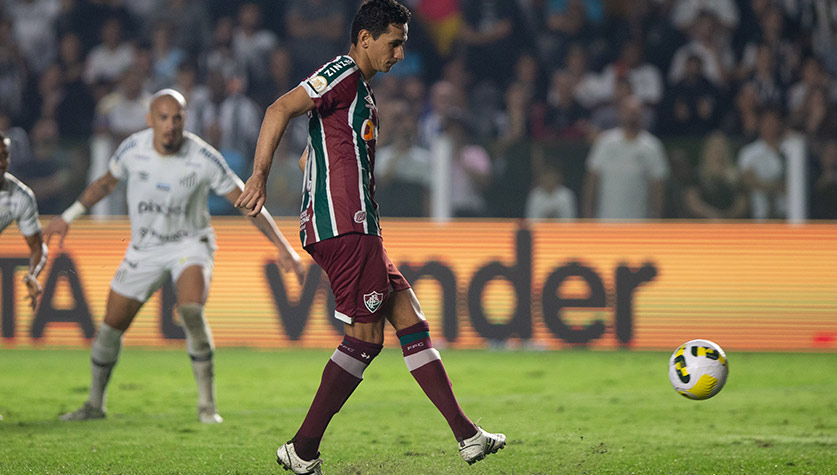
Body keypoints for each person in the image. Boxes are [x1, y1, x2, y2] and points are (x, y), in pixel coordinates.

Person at [234, 1, 506, 472]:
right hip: (346, 225)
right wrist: (257, 176)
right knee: (364, 338)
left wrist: (325, 174)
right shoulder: (341, 73)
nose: (400, 54)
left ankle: (468, 436)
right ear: (365, 39)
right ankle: (302, 448)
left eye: (402, 44)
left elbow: (309, 159)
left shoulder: (360, 92)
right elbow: (280, 108)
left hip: (356, 224)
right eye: (394, 43)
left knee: (411, 319)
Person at [48, 89, 304, 424]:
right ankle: (95, 404)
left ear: (185, 119)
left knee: (190, 310)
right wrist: (67, 217)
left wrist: (283, 247)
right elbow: (105, 184)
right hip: (144, 250)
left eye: (177, 117)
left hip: (190, 245)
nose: (170, 125)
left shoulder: (203, 157)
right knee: (110, 328)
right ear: (150, 120)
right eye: (164, 118)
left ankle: (207, 407)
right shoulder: (132, 149)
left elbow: (246, 200)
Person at [582, 95, 670, 220]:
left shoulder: (652, 147)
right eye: (629, 111)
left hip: (639, 225)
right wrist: (588, 216)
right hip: (606, 224)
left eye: (636, 112)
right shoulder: (604, 142)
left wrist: (656, 218)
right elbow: (592, 181)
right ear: (620, 113)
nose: (632, 115)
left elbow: (658, 186)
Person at [0, 132, 48, 312]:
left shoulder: (20, 197)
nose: (1, 163)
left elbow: (38, 247)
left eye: (4, 155)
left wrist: (32, 274)